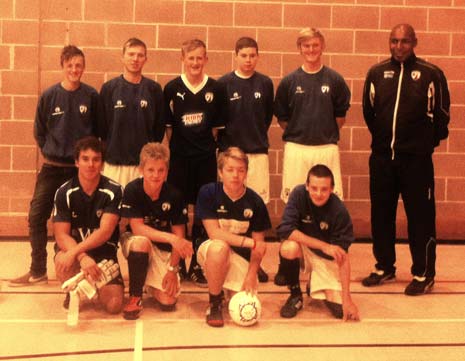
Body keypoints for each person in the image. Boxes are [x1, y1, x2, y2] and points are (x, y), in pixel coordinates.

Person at [361, 24, 450, 296]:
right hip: (382, 159)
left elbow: (442, 115)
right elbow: (369, 112)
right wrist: (383, 143)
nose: (399, 46)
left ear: (415, 42)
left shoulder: (431, 74)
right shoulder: (376, 73)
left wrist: (423, 145)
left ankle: (424, 273)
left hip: (416, 162)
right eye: (394, 41)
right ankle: (384, 266)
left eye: (405, 41)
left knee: (420, 218)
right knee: (381, 214)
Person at [9, 45, 99, 287]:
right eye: (70, 65)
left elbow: (99, 133)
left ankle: (70, 266)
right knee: (36, 215)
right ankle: (37, 269)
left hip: (77, 170)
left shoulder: (91, 96)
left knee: (73, 220)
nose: (74, 69)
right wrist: (53, 150)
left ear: (84, 67)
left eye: (78, 65)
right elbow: (39, 132)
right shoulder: (49, 96)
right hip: (51, 167)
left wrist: (83, 161)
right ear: (62, 66)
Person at [273, 28, 350, 285]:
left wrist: (320, 134)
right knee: (293, 202)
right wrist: (302, 134)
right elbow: (282, 119)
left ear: (322, 46)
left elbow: (340, 117)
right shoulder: (289, 82)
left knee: (327, 200)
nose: (311, 50)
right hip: (297, 148)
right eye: (306, 46)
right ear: (300, 49)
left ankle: (324, 262)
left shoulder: (335, 80)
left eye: (315, 45)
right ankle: (288, 264)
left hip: (326, 148)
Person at [164, 39, 226, 286]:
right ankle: (178, 263)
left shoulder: (216, 89)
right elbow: (169, 129)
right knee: (179, 213)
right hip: (180, 160)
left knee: (202, 214)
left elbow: (215, 130)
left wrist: (201, 149)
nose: (195, 63)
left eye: (200, 58)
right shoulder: (171, 88)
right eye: (191, 58)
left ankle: (198, 265)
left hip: (205, 160)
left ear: (206, 59)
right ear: (183, 59)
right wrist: (181, 149)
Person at [217, 37, 274, 283]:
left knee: (256, 208)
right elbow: (218, 124)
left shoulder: (265, 83)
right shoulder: (223, 84)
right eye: (244, 55)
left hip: (257, 152)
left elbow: (267, 117)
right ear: (236, 56)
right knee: (230, 209)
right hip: (231, 155)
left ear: (257, 56)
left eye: (253, 55)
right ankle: (228, 258)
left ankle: (255, 261)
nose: (248, 60)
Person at [195, 147, 271, 327]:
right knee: (219, 247)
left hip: (241, 258)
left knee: (244, 304)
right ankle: (214, 303)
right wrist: (248, 242)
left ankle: (226, 289)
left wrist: (252, 273)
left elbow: (259, 247)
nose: (235, 175)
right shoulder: (208, 193)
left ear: (246, 173)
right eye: (230, 170)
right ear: (220, 173)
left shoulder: (255, 202)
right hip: (211, 252)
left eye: (240, 170)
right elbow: (214, 233)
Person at [120, 142, 193, 320]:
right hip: (137, 241)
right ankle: (135, 296)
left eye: (161, 170)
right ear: (141, 170)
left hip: (163, 249)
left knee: (168, 302)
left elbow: (180, 236)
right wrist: (171, 238)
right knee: (141, 242)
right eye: (151, 170)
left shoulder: (174, 195)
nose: (156, 175)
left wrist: (172, 270)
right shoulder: (132, 190)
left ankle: (148, 282)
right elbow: (137, 228)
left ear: (166, 172)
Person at [277, 164, 359, 321]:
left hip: (325, 258)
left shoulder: (339, 211)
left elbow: (343, 257)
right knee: (288, 248)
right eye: (314, 188)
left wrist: (347, 299)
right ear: (307, 186)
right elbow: (285, 230)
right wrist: (324, 246)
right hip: (304, 250)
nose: (318, 194)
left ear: (332, 188)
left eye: (324, 189)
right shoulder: (298, 194)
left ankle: (315, 283)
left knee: (339, 309)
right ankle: (295, 295)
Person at [53, 136, 124, 313]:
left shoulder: (113, 191)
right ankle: (74, 291)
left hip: (104, 256)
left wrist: (81, 254)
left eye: (96, 159)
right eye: (85, 159)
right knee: (62, 259)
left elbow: (106, 231)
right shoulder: (64, 192)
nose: (90, 164)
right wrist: (82, 257)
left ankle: (93, 286)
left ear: (102, 162)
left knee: (114, 306)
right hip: (75, 256)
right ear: (77, 162)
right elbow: (61, 235)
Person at [98, 37, 165, 188]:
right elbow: (102, 129)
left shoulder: (154, 89)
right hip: (114, 165)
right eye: (131, 54)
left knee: (140, 210)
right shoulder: (109, 89)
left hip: (143, 165)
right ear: (122, 57)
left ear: (145, 59)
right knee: (113, 208)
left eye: (140, 55)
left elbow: (158, 130)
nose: (135, 59)